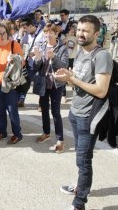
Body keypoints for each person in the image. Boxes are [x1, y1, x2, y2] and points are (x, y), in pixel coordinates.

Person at [54, 15, 113, 210]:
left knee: (84, 160)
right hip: (75, 112)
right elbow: (80, 81)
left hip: (89, 116)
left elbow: (101, 89)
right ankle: (80, 186)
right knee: (81, 158)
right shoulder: (80, 51)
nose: (80, 34)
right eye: (79, 30)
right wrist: (67, 78)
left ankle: (79, 203)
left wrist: (75, 81)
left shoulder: (102, 55)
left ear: (96, 33)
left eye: (85, 31)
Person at [0, 22, 24, 144]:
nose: (3, 36)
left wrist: (13, 60)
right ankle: (2, 132)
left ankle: (17, 134)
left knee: (12, 111)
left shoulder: (14, 44)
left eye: (4, 33)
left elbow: (22, 62)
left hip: (10, 84)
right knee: (0, 110)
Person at [33, 23, 68, 153]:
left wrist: (53, 57)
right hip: (43, 83)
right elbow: (37, 67)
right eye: (46, 32)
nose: (48, 35)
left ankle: (60, 140)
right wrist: (37, 59)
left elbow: (63, 66)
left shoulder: (62, 48)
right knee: (44, 110)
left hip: (56, 84)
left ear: (56, 33)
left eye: (51, 32)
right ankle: (46, 133)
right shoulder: (42, 46)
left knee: (56, 112)